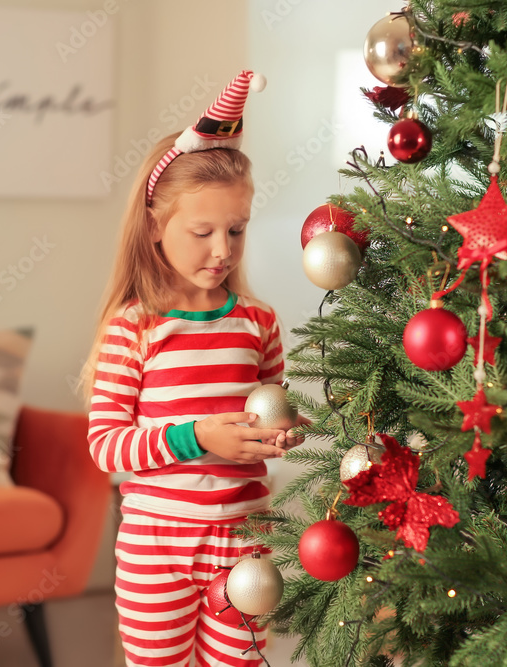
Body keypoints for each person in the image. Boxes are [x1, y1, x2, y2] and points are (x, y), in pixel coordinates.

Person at [81, 70, 307, 667]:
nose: (222, 250)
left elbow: (270, 413)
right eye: (202, 231)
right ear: (156, 227)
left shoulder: (258, 321)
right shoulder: (137, 326)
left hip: (244, 537)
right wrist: (199, 436)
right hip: (156, 543)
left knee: (242, 661)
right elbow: (106, 447)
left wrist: (282, 432)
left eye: (236, 230)